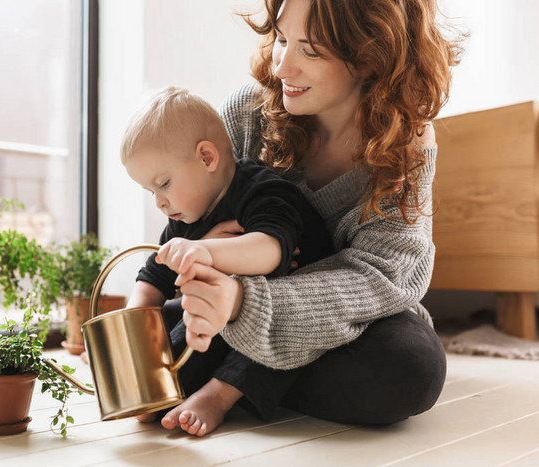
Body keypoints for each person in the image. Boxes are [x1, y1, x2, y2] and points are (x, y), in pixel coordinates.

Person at [142, 0, 464, 437]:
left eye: (310, 51)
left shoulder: (405, 145)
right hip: (245, 304)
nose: (282, 66)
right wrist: (210, 253)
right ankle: (250, 379)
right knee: (157, 344)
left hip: (351, 313)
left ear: (371, 56)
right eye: (280, 38)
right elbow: (190, 218)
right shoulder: (246, 115)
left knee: (411, 367)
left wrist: (241, 303)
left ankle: (236, 382)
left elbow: (381, 277)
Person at [121, 85, 333, 311]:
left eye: (164, 184)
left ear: (206, 158)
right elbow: (155, 274)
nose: (159, 203)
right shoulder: (184, 219)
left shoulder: (261, 189)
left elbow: (272, 249)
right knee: (170, 321)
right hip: (231, 310)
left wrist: (205, 252)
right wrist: (132, 317)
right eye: (151, 192)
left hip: (295, 313)